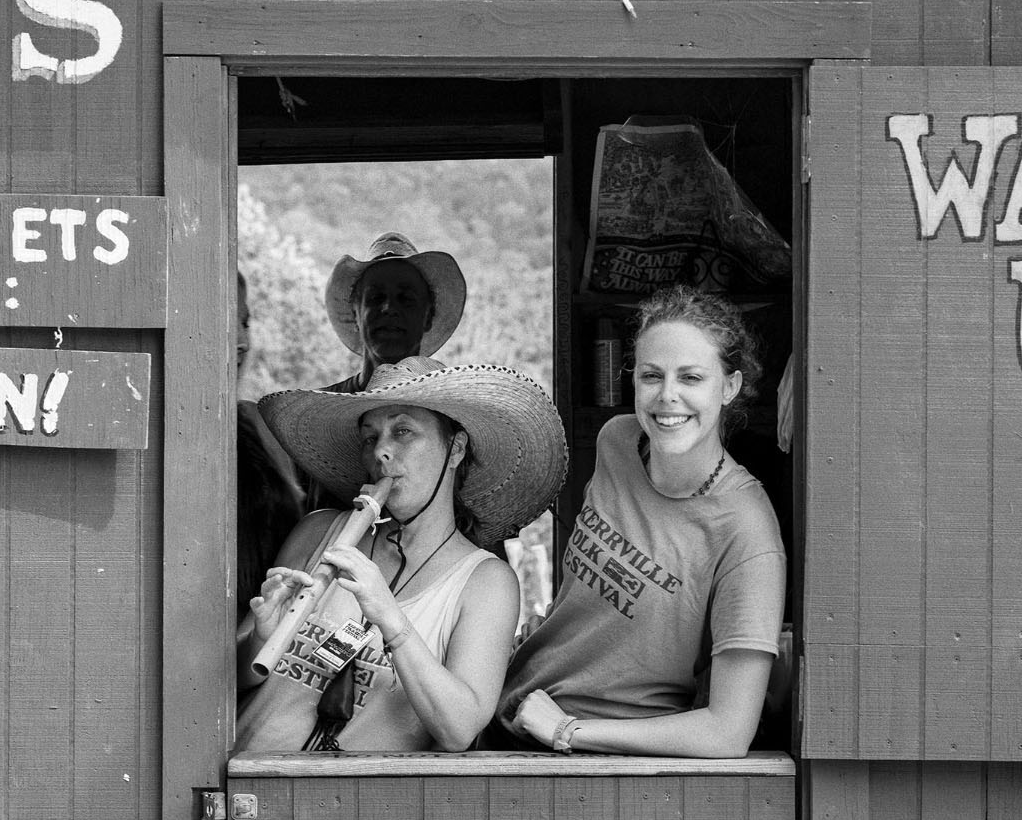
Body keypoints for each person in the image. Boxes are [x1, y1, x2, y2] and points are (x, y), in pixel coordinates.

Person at [499, 286, 786, 759]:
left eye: (691, 377)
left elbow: (728, 732)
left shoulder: (747, 531)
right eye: (652, 375)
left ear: (729, 387)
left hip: (608, 759)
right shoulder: (618, 442)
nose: (667, 396)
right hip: (512, 710)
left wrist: (568, 730)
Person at [235, 357, 566, 754]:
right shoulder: (319, 532)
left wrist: (390, 619)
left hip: (357, 807)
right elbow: (230, 677)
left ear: (455, 449)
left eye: (403, 431)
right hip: (248, 781)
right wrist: (260, 636)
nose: (382, 452)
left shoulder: (486, 582)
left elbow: (458, 730)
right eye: (370, 437)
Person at [323, 232, 468, 393]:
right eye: (376, 297)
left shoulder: (447, 414)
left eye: (406, 298)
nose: (389, 308)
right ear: (355, 314)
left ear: (428, 316)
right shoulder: (317, 410)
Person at [236, 272, 304, 610]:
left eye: (245, 322)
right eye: (224, 320)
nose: (242, 341)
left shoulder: (262, 423)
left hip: (276, 638)